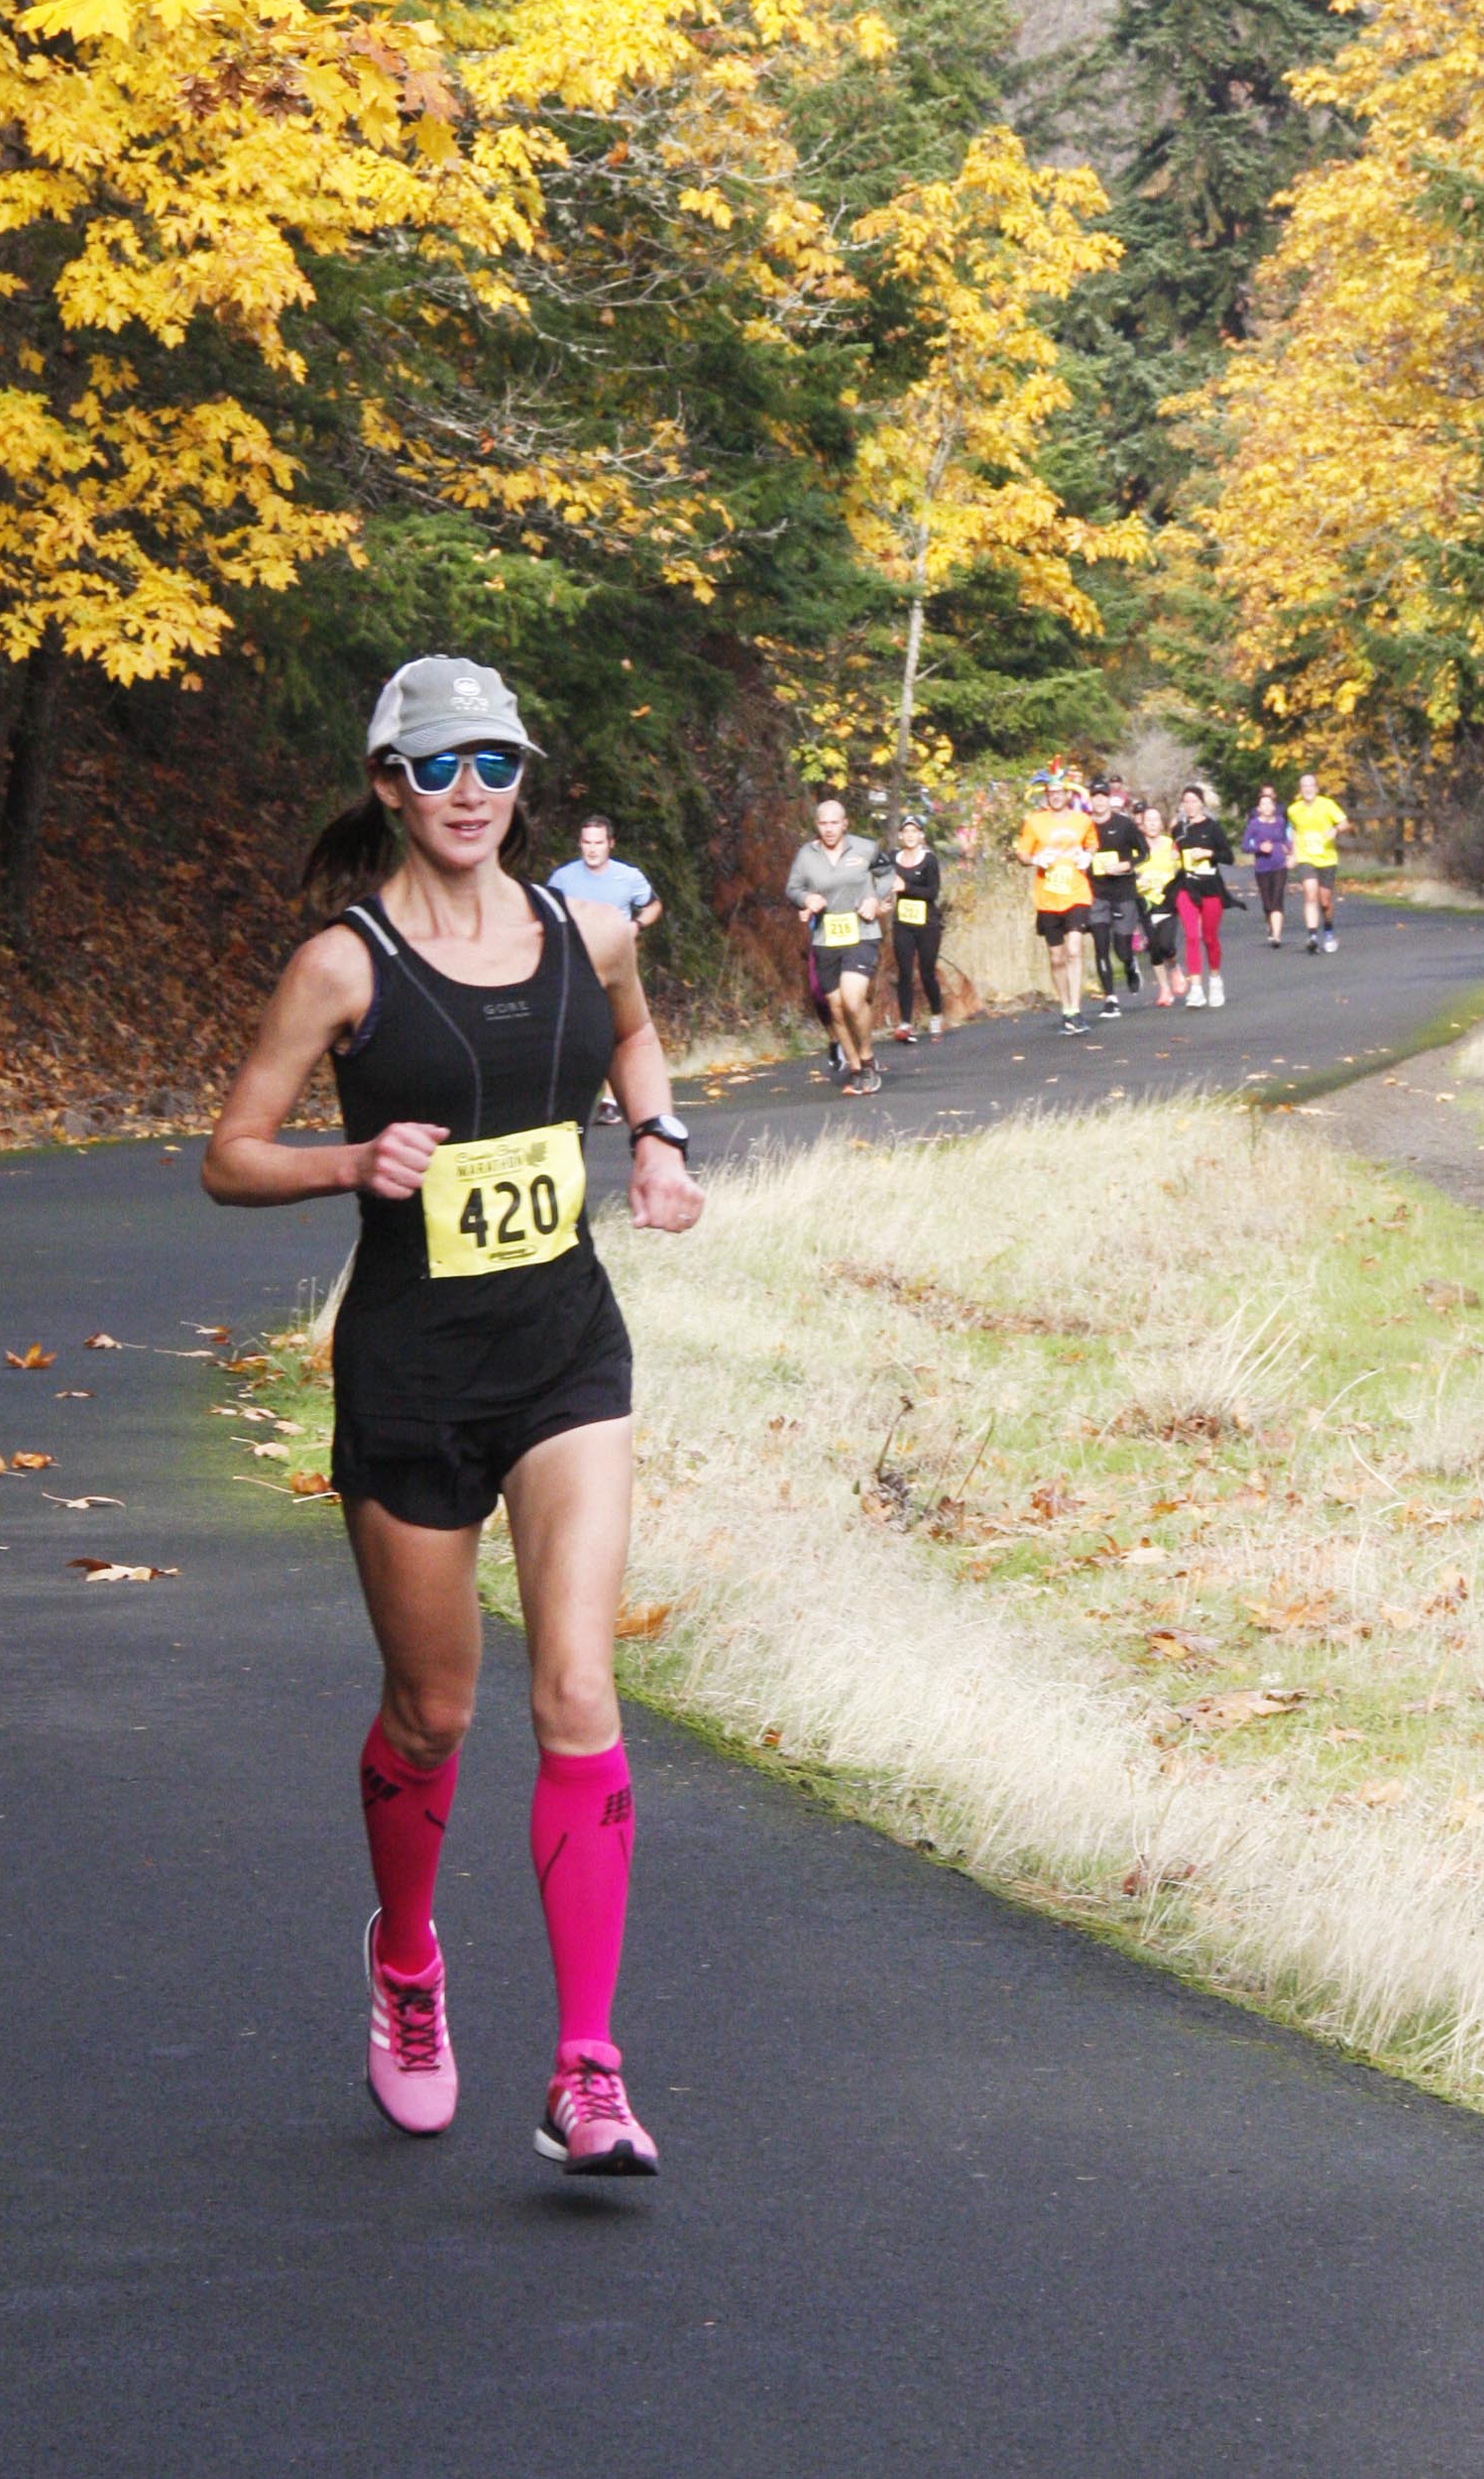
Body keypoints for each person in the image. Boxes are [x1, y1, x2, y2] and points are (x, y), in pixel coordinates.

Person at [202, 654, 702, 2179]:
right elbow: (231, 1152)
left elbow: (630, 1036)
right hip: (413, 1365)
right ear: (389, 785)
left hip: (564, 1352)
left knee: (576, 1687)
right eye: (440, 766)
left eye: (496, 761)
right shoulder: (341, 966)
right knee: (436, 1713)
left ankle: (587, 2067)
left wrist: (661, 1140)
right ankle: (408, 1962)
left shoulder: (589, 922)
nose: (472, 790)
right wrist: (350, 1165)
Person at [547, 817, 661, 1121]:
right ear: (580, 844)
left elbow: (653, 906)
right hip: (575, 966)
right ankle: (571, 1100)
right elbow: (547, 915)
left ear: (610, 843)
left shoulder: (628, 877)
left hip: (616, 968)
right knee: (575, 1033)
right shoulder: (562, 879)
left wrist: (636, 925)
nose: (592, 849)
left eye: (598, 843)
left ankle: (611, 1101)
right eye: (587, 843)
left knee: (613, 1030)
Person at [785, 797, 883, 1094]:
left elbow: (888, 875)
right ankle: (854, 1067)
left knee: (854, 999)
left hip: (862, 933)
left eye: (834, 823)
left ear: (845, 824)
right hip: (826, 938)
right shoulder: (807, 855)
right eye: (823, 823)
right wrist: (806, 900)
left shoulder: (865, 848)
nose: (829, 829)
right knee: (837, 1009)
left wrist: (875, 899)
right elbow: (792, 888)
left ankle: (867, 1060)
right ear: (817, 826)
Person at [1013, 779, 1099, 1037]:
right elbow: (1022, 854)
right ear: (1046, 796)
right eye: (1051, 793)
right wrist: (1036, 859)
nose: (1056, 797)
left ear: (1067, 794)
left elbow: (1093, 843)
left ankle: (1076, 1008)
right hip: (1048, 896)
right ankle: (1066, 1008)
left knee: (1074, 949)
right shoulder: (1035, 822)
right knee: (1056, 956)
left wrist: (1088, 855)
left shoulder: (1082, 820)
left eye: (1059, 792)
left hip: (1076, 893)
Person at [1087, 774, 1146, 1018]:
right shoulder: (1084, 827)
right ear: (1090, 800)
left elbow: (1144, 852)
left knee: (1122, 948)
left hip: (1123, 891)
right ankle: (1110, 998)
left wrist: (1126, 865)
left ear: (1109, 798)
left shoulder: (1124, 824)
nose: (1099, 801)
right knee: (1101, 946)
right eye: (1095, 796)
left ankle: (1131, 964)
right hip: (1096, 893)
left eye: (1103, 796)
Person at [1172, 782, 1234, 1006]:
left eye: (1194, 801)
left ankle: (1215, 980)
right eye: (1186, 802)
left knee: (1209, 937)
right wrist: (1172, 856)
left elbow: (1229, 856)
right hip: (1187, 885)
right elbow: (1174, 850)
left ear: (1201, 804)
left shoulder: (1212, 827)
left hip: (1210, 886)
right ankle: (1196, 988)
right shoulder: (1178, 829)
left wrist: (1208, 852)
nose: (1189, 806)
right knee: (1191, 935)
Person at [885, 819, 946, 1041]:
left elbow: (932, 892)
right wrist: (883, 899)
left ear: (921, 835)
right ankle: (905, 1023)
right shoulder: (893, 858)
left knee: (927, 972)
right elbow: (883, 881)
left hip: (927, 924)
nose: (910, 835)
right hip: (903, 922)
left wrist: (906, 887)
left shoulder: (928, 860)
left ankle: (937, 1015)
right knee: (904, 972)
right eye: (906, 831)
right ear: (900, 835)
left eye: (914, 831)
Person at [1289, 770, 1347, 957]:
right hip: (1306, 858)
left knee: (1325, 899)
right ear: (1300, 789)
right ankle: (1312, 936)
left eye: (1310, 786)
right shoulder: (1294, 810)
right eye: (1304, 786)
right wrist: (1293, 854)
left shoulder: (1327, 805)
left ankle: (1328, 931)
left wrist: (1336, 830)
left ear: (1316, 788)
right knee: (1310, 894)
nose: (1308, 789)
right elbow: (1294, 832)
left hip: (1327, 858)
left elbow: (1345, 823)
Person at [1134, 803, 1186, 1006]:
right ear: (1142, 825)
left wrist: (1177, 860)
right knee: (1154, 948)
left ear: (1161, 823)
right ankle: (1164, 989)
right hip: (1146, 901)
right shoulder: (1137, 846)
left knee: (1166, 945)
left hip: (1167, 900)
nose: (1152, 824)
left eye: (1156, 820)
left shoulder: (1170, 844)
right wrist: (1140, 883)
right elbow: (1130, 872)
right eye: (1148, 821)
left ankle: (1174, 967)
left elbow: (1182, 870)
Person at [1240, 784, 1291, 947]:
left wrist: (1288, 849)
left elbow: (1285, 839)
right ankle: (1270, 925)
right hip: (1262, 867)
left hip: (1280, 865)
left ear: (1274, 807)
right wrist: (1259, 847)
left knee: (1277, 899)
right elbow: (1245, 846)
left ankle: (1276, 936)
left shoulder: (1281, 822)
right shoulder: (1254, 824)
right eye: (1264, 805)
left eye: (1270, 804)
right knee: (1268, 903)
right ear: (1259, 808)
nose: (1267, 807)